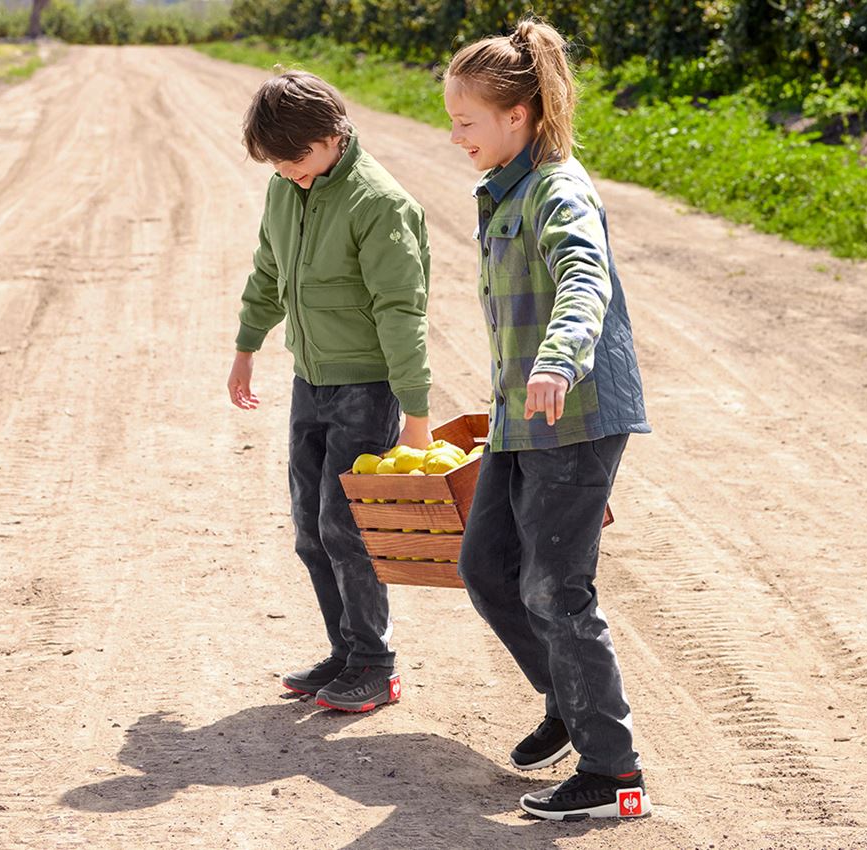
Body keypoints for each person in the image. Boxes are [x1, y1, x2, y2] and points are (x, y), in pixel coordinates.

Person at [444, 18, 653, 820]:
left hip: (575, 410)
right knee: (488, 568)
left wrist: (561, 358)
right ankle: (568, 701)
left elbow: (582, 278)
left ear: (519, 115)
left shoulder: (557, 190)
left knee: (555, 587)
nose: (456, 135)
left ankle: (613, 775)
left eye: (467, 121)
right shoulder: (504, 191)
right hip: (522, 417)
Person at [227, 70, 432, 713]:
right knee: (310, 532)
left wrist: (418, 414)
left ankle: (376, 663)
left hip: (367, 389)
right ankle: (344, 652)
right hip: (309, 382)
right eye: (278, 163)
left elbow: (402, 311)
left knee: (347, 528)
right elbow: (268, 270)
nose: (288, 171)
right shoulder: (286, 189)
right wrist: (246, 347)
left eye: (295, 159)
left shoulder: (380, 204)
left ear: (333, 135)